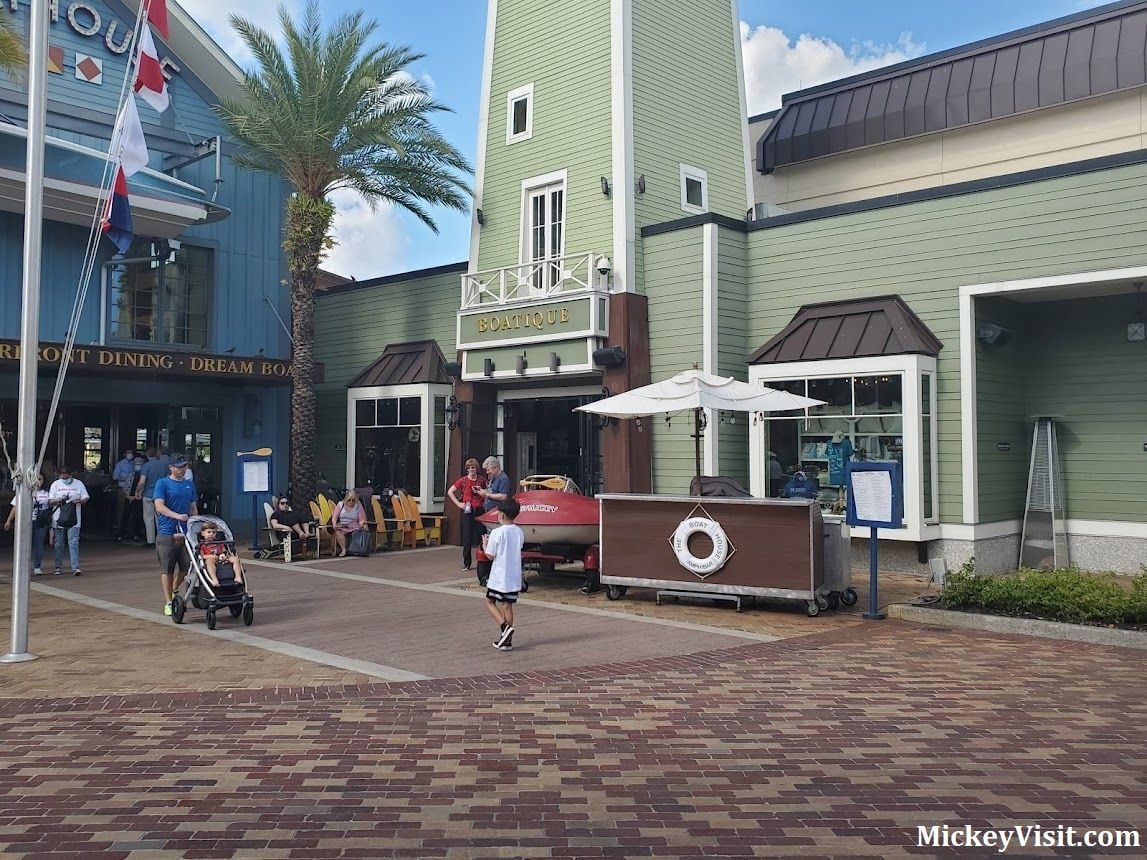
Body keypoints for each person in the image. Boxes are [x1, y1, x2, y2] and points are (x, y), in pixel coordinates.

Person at [153, 455, 198, 616]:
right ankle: (168, 602)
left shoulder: (189, 485)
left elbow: (193, 507)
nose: (182, 469)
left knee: (187, 567)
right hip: (167, 532)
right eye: (179, 467)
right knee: (168, 569)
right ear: (171, 467)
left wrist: (195, 525)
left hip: (186, 532)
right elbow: (159, 506)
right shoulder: (162, 483)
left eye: (184, 466)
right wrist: (176, 516)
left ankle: (173, 589)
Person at [482, 498, 524, 651]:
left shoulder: (497, 533)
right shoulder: (519, 532)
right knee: (508, 605)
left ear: (502, 514)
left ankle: (504, 627)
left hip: (499, 577)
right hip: (514, 577)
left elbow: (490, 555)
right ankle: (506, 640)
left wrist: (485, 544)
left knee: (489, 602)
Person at [3, 472, 51, 576]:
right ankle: (22, 566)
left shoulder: (47, 493)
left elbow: (51, 505)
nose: (38, 482)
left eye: (40, 479)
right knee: (23, 545)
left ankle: (37, 566)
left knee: (38, 545)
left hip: (40, 522)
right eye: (36, 479)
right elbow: (15, 507)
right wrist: (8, 520)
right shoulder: (23, 492)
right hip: (26, 521)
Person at [48, 466, 90, 576]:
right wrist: (59, 499)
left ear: (71, 475)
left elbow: (85, 498)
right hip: (58, 517)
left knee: (74, 542)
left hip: (74, 517)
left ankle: (75, 567)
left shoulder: (78, 484)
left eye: (66, 476)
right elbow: (50, 500)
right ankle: (58, 567)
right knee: (58, 544)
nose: (65, 479)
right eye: (62, 476)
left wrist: (79, 500)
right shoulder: (56, 484)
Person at [447, 458, 487, 571]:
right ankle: (467, 562)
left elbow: (488, 491)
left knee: (482, 534)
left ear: (476, 468)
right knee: (467, 537)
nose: (471, 470)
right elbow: (450, 491)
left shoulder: (482, 480)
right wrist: (458, 504)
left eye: (473, 467)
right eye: (469, 468)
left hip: (479, 509)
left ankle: (485, 559)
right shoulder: (463, 480)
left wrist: (481, 492)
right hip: (467, 509)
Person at [196, 522, 245, 587]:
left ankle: (238, 576)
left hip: (221, 558)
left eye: (213, 532)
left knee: (235, 559)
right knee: (210, 561)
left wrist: (223, 555)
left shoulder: (219, 543)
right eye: (209, 532)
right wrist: (210, 556)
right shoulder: (203, 545)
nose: (211, 534)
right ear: (202, 533)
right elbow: (201, 556)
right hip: (211, 560)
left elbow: (224, 551)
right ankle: (214, 579)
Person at [139, 448, 167, 548]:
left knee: (148, 518)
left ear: (147, 455)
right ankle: (162, 539)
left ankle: (150, 541)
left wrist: (137, 492)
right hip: (162, 495)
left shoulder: (146, 466)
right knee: (160, 518)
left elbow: (142, 482)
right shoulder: (164, 464)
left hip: (148, 494)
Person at [331, 489, 367, 557]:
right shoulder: (340, 504)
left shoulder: (358, 506)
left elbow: (362, 519)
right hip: (343, 526)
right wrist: (334, 524)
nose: (351, 502)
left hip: (354, 527)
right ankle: (343, 549)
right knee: (338, 532)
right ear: (346, 499)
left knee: (359, 531)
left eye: (353, 500)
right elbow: (334, 517)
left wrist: (361, 524)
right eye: (349, 500)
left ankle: (356, 549)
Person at [111, 448, 136, 541]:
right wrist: (127, 478)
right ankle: (118, 531)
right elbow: (115, 476)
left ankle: (130, 531)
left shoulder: (134, 464)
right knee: (121, 509)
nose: (130, 454)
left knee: (131, 511)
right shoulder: (120, 464)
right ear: (124, 454)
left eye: (131, 453)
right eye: (128, 453)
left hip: (133, 489)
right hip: (122, 489)